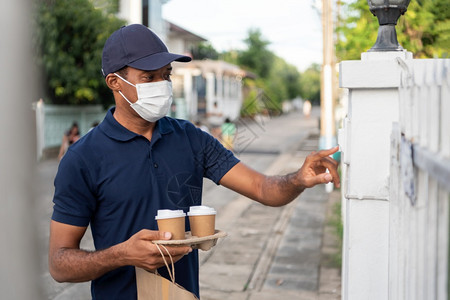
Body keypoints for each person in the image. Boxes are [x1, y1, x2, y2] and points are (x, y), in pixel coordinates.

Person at [48, 24, 340, 300]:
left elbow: (263, 188)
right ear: (115, 82)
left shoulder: (189, 138)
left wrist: (298, 179)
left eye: (166, 75)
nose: (161, 85)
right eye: (148, 77)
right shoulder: (83, 158)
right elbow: (60, 263)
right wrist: (122, 254)